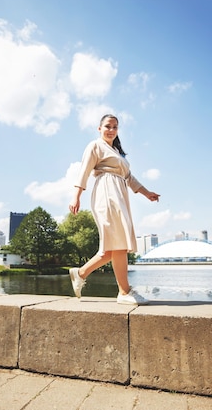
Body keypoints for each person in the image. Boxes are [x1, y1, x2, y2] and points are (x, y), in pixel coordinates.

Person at [68, 114, 160, 305]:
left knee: (115, 245)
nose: (111, 130)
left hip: (120, 193)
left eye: (115, 127)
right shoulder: (95, 146)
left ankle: (80, 273)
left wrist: (147, 193)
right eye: (108, 126)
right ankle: (124, 292)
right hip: (106, 191)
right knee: (118, 242)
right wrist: (76, 195)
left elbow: (130, 177)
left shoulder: (117, 152)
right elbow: (84, 170)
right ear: (99, 128)